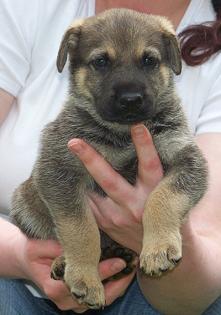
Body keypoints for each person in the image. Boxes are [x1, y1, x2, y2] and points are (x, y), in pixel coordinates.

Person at [0, 0, 221, 314]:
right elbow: (55, 178)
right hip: (24, 265)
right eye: (102, 63)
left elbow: (192, 171)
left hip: (150, 288)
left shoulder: (169, 116)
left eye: (148, 61)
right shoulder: (28, 8)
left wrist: (159, 222)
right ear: (70, 61)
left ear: (170, 60)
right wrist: (30, 255)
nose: (130, 90)